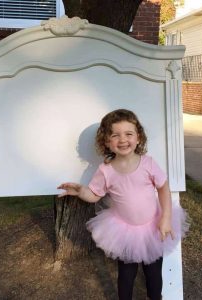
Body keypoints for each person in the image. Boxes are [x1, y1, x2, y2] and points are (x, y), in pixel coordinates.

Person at [57, 109, 188, 300]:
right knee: (126, 275)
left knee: (153, 274)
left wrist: (166, 218)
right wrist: (79, 191)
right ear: (107, 142)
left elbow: (163, 187)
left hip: (153, 227)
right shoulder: (106, 170)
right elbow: (95, 194)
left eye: (129, 134)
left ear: (138, 138)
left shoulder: (148, 163)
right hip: (125, 232)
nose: (123, 139)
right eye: (115, 135)